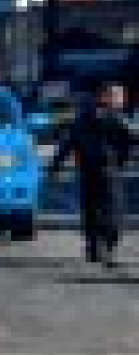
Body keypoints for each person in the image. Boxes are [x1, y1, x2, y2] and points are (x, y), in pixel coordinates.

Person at [50, 80, 135, 266]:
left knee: (101, 211)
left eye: (121, 96)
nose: (122, 100)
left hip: (100, 171)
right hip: (101, 171)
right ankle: (99, 248)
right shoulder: (109, 118)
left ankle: (98, 247)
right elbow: (69, 142)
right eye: (118, 96)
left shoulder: (99, 118)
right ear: (105, 96)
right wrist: (55, 165)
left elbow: (130, 140)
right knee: (104, 211)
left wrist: (55, 166)